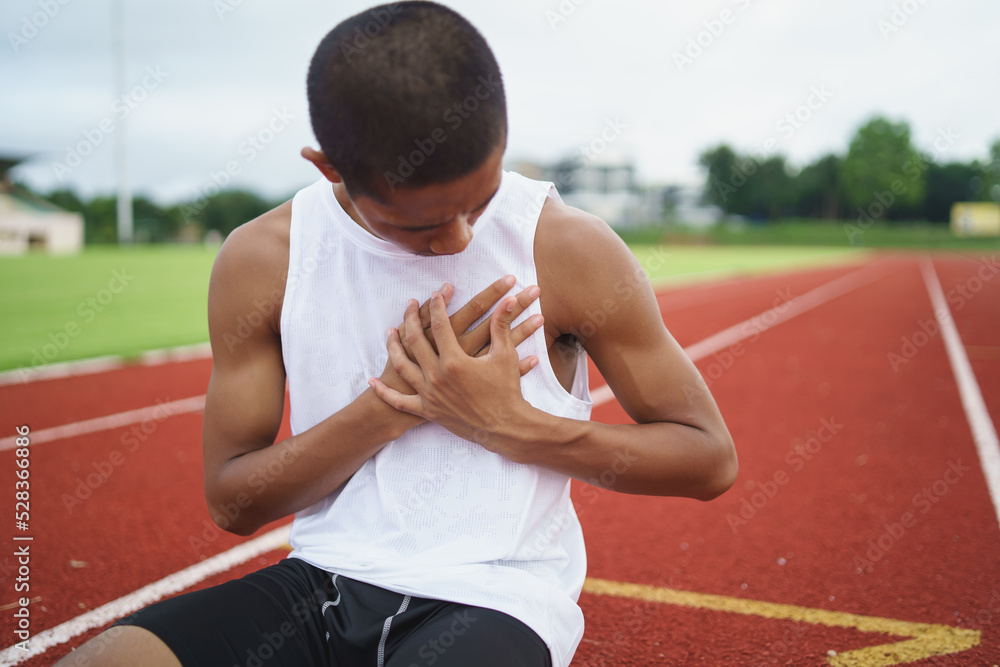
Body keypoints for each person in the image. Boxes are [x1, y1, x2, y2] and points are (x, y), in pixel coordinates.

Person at [56, 2, 736, 666]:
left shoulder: (566, 246)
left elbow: (709, 458)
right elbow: (233, 499)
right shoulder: (263, 259)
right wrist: (391, 403)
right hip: (321, 584)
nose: (460, 237)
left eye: (481, 198)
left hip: (496, 597)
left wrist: (510, 424)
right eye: (422, 223)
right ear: (330, 169)